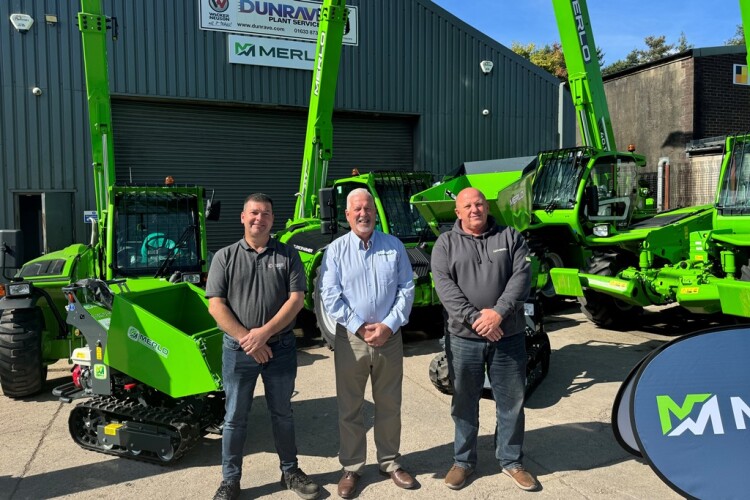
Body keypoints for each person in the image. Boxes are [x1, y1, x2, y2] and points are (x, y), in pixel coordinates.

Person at [205, 193, 320, 500]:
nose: (260, 218)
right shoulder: (224, 257)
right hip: (238, 352)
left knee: (282, 412)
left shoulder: (287, 254)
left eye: (266, 213)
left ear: (272, 219)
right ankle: (230, 480)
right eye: (254, 213)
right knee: (234, 417)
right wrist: (249, 340)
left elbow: (296, 301)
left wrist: (263, 335)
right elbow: (216, 306)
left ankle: (290, 471)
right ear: (243, 217)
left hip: (280, 349)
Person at [430, 187, 539, 492]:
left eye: (479, 204)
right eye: (467, 205)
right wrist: (478, 319)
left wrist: (498, 314)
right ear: (458, 212)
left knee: (512, 402)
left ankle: (511, 460)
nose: (474, 209)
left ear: (487, 207)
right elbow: (445, 289)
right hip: (463, 338)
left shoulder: (511, 237)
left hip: (509, 335)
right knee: (464, 401)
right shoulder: (445, 244)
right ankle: (463, 462)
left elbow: (521, 279)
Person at [319, 188, 416, 498]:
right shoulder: (335, 251)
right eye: (356, 209)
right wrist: (360, 327)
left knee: (390, 404)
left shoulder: (394, 246)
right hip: (351, 340)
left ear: (375, 212)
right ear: (347, 216)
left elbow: (406, 288)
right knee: (350, 406)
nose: (363, 213)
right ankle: (351, 467)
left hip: (389, 339)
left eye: (368, 208)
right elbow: (329, 295)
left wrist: (389, 325)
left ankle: (389, 462)